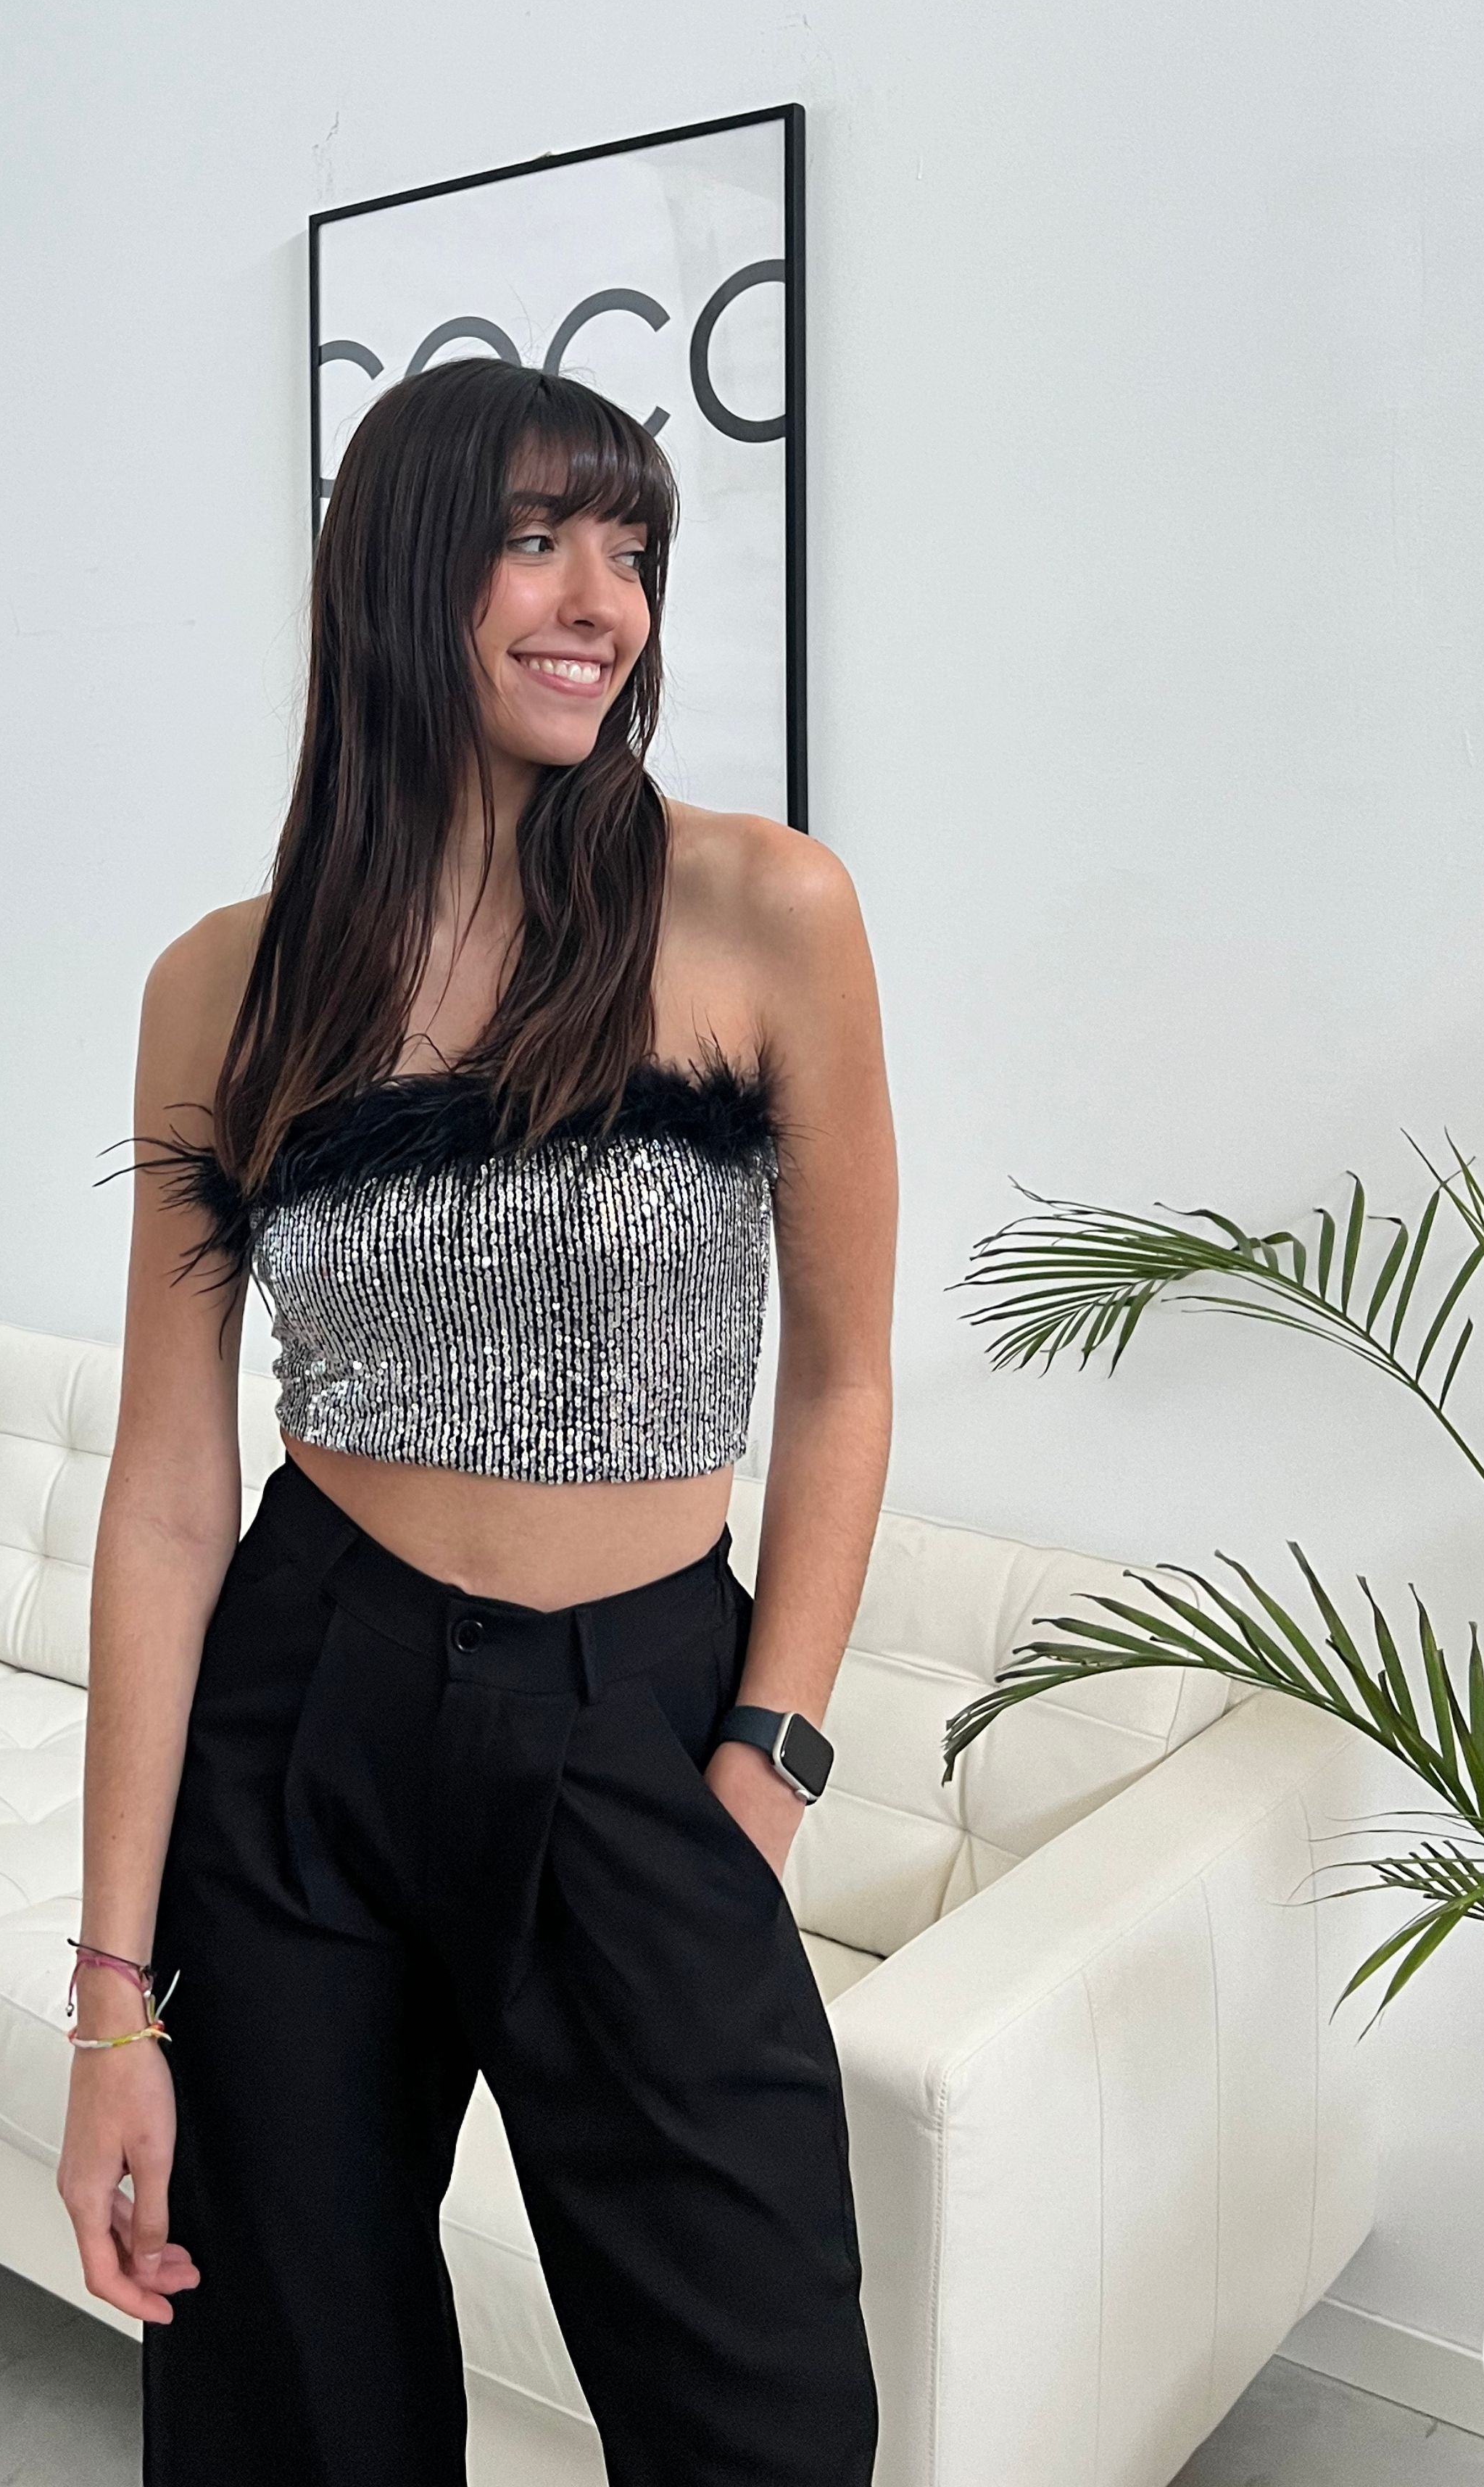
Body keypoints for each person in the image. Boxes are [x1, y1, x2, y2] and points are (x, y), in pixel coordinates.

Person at [57, 356, 895, 2486]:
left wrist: (765, 1764)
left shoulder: (763, 911)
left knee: (763, 2418)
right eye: (537, 541)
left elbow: (843, 1380)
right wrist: (114, 2002)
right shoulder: (224, 986)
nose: (600, 600)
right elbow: (169, 1495)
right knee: (291, 2411)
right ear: (400, 575)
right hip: (307, 1707)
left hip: (644, 1721)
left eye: (631, 550)